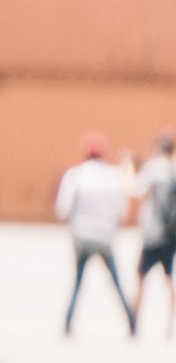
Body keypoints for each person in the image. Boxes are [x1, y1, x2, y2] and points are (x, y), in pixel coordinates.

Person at [56, 132, 137, 338]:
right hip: (105, 237)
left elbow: (62, 208)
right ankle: (131, 321)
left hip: (82, 235)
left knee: (77, 282)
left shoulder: (76, 175)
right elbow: (123, 211)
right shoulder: (114, 176)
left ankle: (67, 322)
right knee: (116, 282)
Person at [130, 131, 176, 337]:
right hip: (170, 234)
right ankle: (169, 325)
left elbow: (137, 190)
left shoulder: (152, 168)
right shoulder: (173, 171)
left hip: (151, 234)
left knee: (141, 278)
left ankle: (134, 323)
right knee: (169, 279)